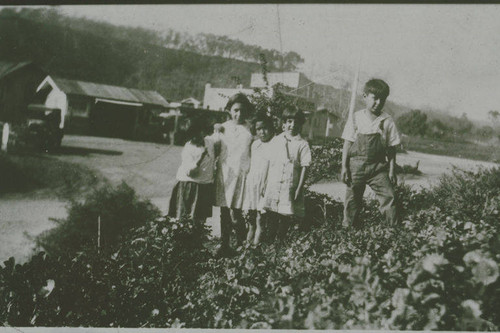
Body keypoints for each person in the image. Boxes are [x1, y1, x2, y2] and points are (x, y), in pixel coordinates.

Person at [340, 78, 401, 229]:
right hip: (356, 167)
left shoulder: (387, 120)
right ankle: (348, 230)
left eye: (382, 99)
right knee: (352, 199)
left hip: (378, 167)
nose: (378, 103)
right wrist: (344, 167)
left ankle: (392, 230)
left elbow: (391, 148)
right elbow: (347, 143)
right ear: (365, 96)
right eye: (374, 98)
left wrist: (392, 170)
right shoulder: (356, 118)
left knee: (389, 196)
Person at [213, 93, 254, 255]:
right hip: (225, 173)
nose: (239, 114)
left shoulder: (251, 128)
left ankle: (241, 244)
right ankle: (224, 244)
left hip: (242, 174)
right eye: (236, 110)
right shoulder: (222, 127)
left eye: (243, 111)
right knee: (224, 211)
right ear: (229, 110)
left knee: (236, 213)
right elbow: (214, 148)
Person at [263, 106, 311, 240]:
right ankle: (270, 242)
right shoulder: (276, 140)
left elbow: (305, 167)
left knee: (285, 215)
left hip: (289, 186)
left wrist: (299, 188)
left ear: (301, 125)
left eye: (296, 122)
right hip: (274, 184)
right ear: (284, 123)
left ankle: (280, 241)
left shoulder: (302, 144)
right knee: (272, 213)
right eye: (289, 121)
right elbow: (268, 162)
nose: (292, 125)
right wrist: (264, 182)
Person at [168, 117, 216, 224]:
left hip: (205, 186)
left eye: (196, 133)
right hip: (189, 186)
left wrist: (219, 127)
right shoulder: (188, 148)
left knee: (200, 221)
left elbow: (218, 135)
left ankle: (197, 240)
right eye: (191, 136)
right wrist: (200, 159)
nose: (194, 138)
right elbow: (189, 172)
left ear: (202, 132)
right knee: (184, 220)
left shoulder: (210, 142)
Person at [243, 114, 275, 245]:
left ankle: (256, 246)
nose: (262, 132)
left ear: (271, 128)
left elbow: (273, 167)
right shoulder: (255, 145)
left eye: (265, 128)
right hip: (252, 184)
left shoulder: (274, 145)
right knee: (250, 219)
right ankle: (247, 245)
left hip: (264, 184)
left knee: (260, 219)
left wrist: (267, 183)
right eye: (259, 129)